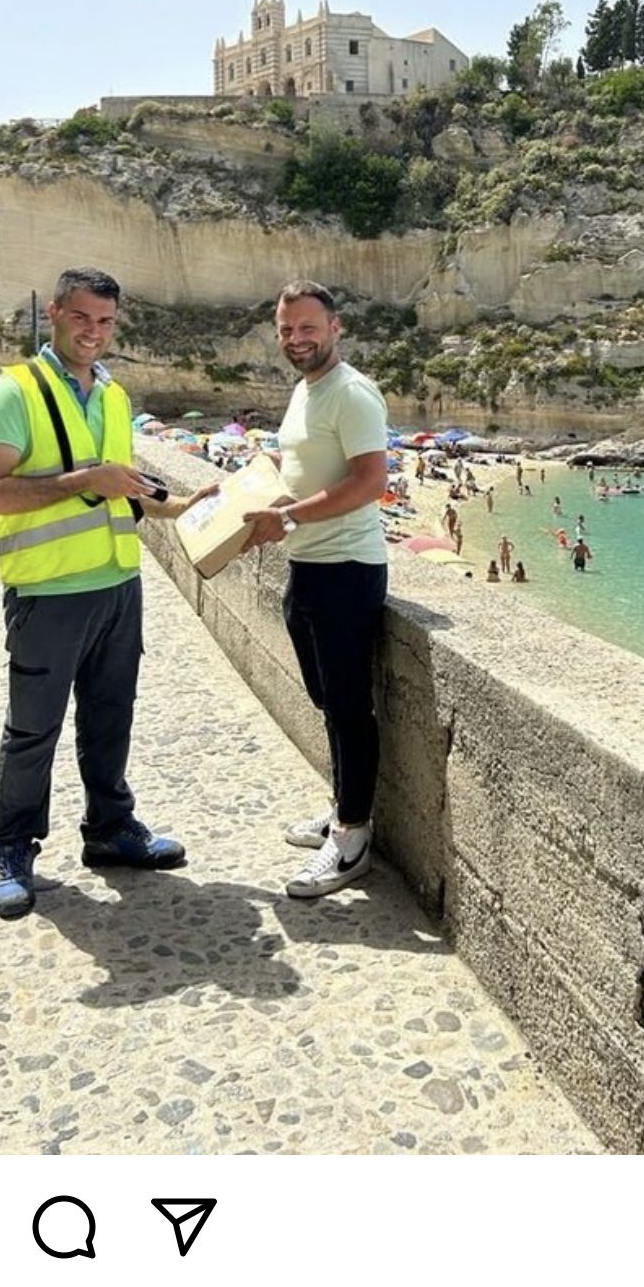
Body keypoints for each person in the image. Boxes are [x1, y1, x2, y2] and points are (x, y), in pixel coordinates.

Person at [0, 267, 218, 922]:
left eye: (106, 321)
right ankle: (11, 850)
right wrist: (84, 480)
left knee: (111, 719)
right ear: (54, 312)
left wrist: (188, 503)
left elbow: (125, 486)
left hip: (118, 585)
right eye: (82, 317)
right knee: (32, 732)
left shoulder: (112, 394)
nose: (94, 332)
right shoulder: (16, 390)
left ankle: (111, 830)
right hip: (48, 590)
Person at [239, 280, 388, 900]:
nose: (296, 340)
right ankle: (340, 811)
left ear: (336, 327)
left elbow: (371, 482)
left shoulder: (351, 393)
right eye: (286, 330)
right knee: (328, 701)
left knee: (350, 707)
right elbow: (299, 471)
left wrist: (291, 518)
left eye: (307, 327)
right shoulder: (306, 390)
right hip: (308, 567)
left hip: (347, 569)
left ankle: (352, 841)